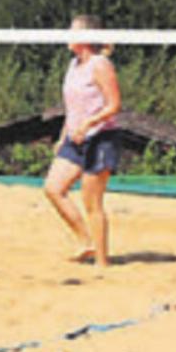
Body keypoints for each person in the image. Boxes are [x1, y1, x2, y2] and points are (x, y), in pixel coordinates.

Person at [43, 14, 122, 269]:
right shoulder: (73, 64)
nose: (68, 35)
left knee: (92, 203)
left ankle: (101, 262)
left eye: (73, 31)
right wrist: (63, 135)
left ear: (86, 37)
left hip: (100, 138)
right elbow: (73, 107)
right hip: (75, 138)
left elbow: (114, 105)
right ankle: (85, 241)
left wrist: (88, 124)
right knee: (53, 188)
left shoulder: (100, 64)